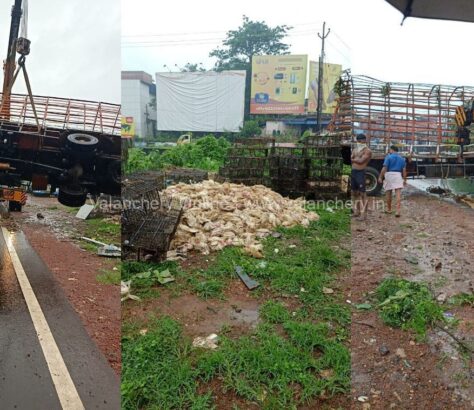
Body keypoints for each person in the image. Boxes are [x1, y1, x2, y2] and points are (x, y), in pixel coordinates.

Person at [378, 145, 407, 217]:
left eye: (389, 150)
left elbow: (384, 168)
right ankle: (398, 211)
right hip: (398, 175)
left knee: (388, 193)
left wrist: (380, 177)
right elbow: (404, 170)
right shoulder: (402, 159)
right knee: (398, 194)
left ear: (392, 150)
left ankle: (389, 209)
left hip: (389, 175)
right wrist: (404, 179)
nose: (389, 151)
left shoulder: (388, 157)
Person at [351, 134, 372, 219]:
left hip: (361, 172)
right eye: (358, 141)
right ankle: (357, 211)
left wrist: (354, 159)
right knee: (355, 193)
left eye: (361, 141)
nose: (359, 142)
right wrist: (355, 159)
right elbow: (353, 158)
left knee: (363, 194)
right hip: (353, 172)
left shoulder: (367, 151)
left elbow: (361, 161)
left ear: (364, 140)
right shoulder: (355, 149)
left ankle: (364, 214)